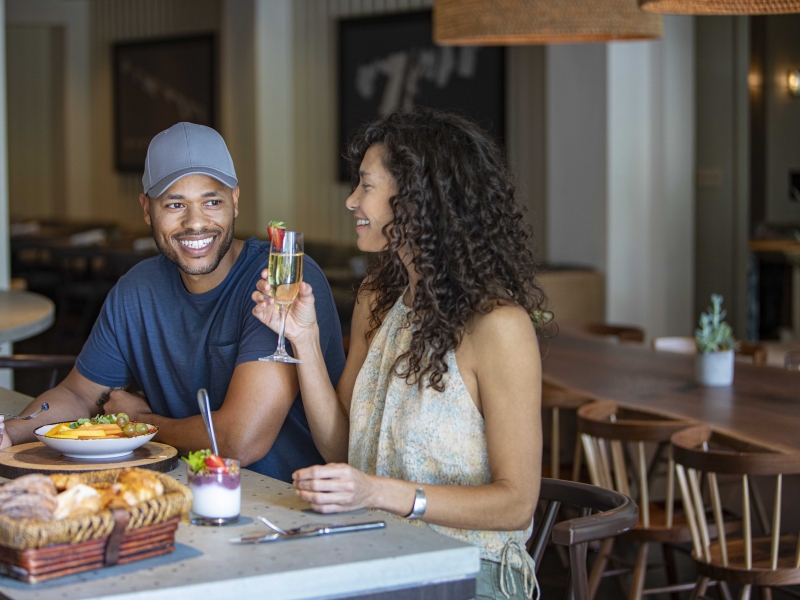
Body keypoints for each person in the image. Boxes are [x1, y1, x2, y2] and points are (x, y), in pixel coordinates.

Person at [252, 109, 545, 599]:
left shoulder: (498, 326)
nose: (352, 200)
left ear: (415, 199)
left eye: (366, 186)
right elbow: (341, 447)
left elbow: (516, 504)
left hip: (471, 572)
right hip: (377, 556)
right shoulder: (377, 299)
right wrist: (303, 339)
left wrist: (378, 493)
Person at [4, 122, 345, 483]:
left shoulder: (279, 280)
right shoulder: (137, 289)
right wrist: (10, 432)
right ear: (147, 210)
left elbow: (240, 441)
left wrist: (142, 423)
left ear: (235, 200)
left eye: (211, 202)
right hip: (181, 489)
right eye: (175, 204)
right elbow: (78, 395)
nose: (195, 223)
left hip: (288, 501)